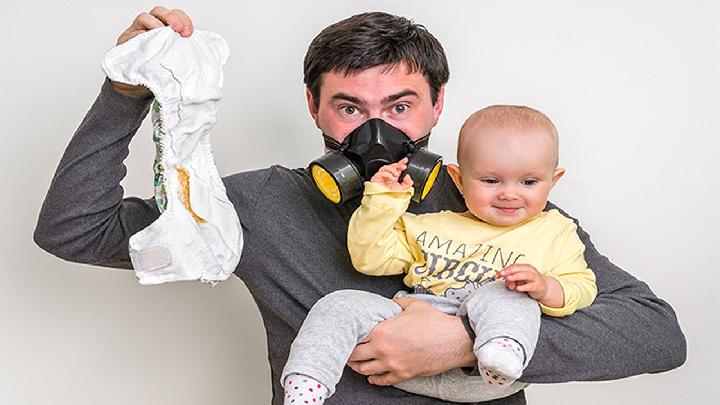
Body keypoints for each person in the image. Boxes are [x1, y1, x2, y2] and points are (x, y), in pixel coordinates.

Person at [33, 6, 686, 404]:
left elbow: (657, 334)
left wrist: (461, 343)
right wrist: (126, 87)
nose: (377, 132)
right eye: (349, 108)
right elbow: (75, 229)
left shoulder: (506, 201)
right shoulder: (259, 204)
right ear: (313, 106)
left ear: (438, 105)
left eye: (400, 106)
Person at [281, 105, 597, 404]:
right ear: (458, 179)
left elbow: (583, 286)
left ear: (553, 180)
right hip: (406, 350)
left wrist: (546, 288)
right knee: (338, 303)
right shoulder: (429, 225)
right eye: (490, 181)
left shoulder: (556, 230)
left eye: (529, 182)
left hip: (485, 373)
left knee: (510, 295)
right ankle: (307, 383)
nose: (509, 193)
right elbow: (369, 258)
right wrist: (384, 199)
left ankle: (501, 351)